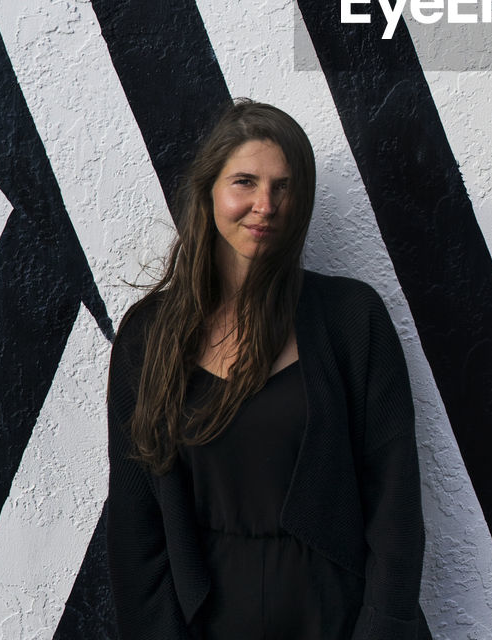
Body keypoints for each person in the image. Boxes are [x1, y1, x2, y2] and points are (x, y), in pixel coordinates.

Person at [106, 99, 430, 640]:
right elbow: (134, 527)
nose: (265, 204)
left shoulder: (352, 320)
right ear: (209, 191)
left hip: (337, 621)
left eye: (283, 186)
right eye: (245, 183)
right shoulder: (149, 337)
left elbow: (395, 504)